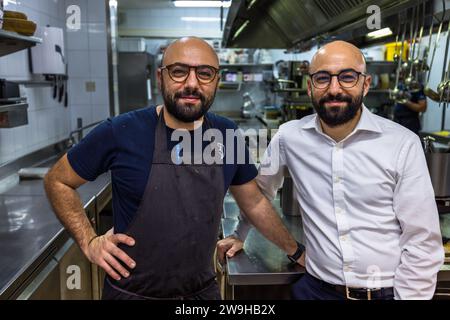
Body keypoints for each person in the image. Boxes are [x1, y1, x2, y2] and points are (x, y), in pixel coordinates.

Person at [44, 37, 303, 300]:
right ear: (161, 77)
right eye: (179, 72)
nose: (191, 84)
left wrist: (295, 250)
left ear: (216, 80)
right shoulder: (121, 131)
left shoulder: (227, 134)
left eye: (204, 73)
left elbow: (255, 203)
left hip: (201, 294)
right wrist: (89, 241)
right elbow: (58, 181)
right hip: (131, 295)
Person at [217, 40, 444, 300]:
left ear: (365, 84)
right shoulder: (290, 137)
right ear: (310, 85)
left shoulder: (402, 143)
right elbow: (260, 193)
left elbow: (422, 240)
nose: (334, 89)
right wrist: (239, 234)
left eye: (347, 77)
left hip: (388, 291)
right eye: (323, 78)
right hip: (316, 290)